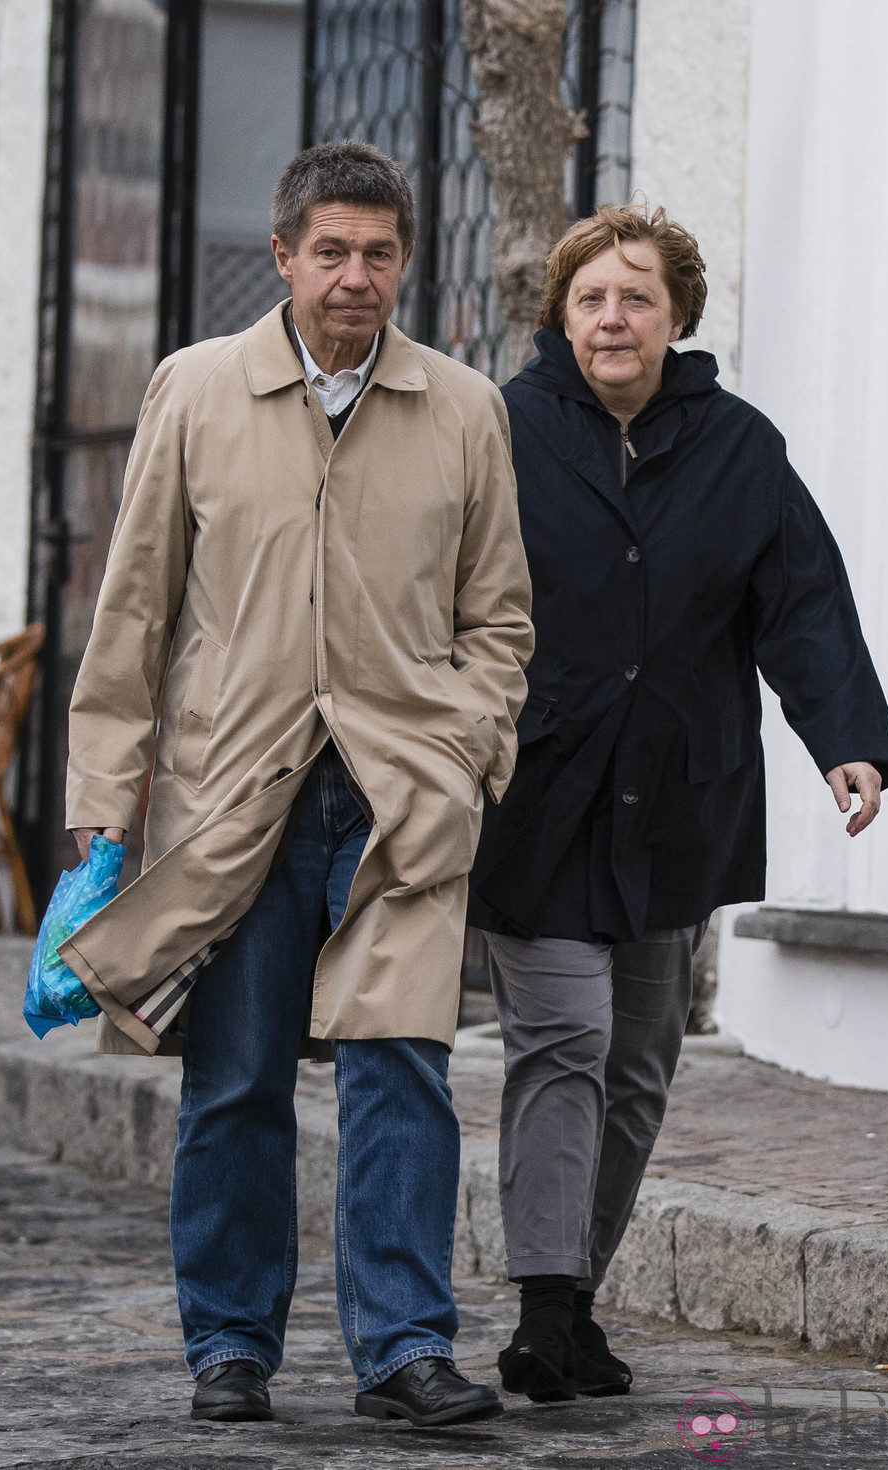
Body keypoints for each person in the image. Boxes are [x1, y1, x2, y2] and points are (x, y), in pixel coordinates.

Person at [60, 141, 533, 1427]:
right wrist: (103, 806)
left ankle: (403, 1350)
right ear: (281, 256)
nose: (354, 277)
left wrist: (465, 743)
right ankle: (228, 1346)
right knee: (237, 1077)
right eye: (329, 251)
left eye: (378, 254)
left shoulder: (463, 409)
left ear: (403, 263)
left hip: (399, 796)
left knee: (403, 1068)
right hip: (232, 794)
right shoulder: (197, 390)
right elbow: (132, 617)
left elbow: (500, 621)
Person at [467, 202, 888, 1403]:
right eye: (592, 296)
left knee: (642, 1059)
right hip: (535, 793)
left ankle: (576, 1299)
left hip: (675, 798)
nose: (613, 317)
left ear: (677, 318)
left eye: (638, 297)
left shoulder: (738, 448)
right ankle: (544, 1309)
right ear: (560, 312)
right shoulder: (494, 431)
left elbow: (800, 602)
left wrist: (846, 743)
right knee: (565, 1038)